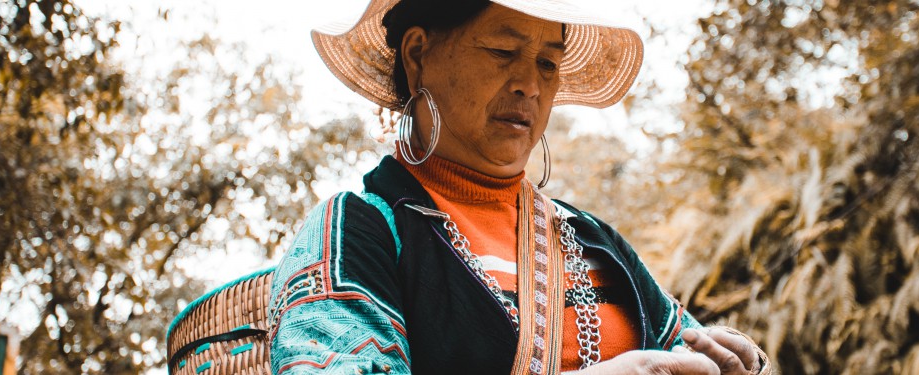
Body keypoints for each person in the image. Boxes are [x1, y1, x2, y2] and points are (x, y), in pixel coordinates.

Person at [265, 0, 770, 373]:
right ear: (418, 54)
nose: (530, 83)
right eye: (504, 50)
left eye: (548, 63)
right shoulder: (359, 232)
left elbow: (682, 342)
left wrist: (729, 356)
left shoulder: (594, 240)